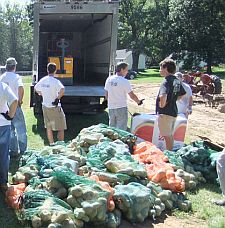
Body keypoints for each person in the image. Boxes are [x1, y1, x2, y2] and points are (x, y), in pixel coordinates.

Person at [156, 59, 186, 151]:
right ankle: (170, 152)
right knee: (170, 134)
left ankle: (169, 154)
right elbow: (182, 93)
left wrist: (162, 105)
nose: (159, 70)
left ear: (166, 68)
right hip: (173, 111)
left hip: (165, 112)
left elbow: (163, 95)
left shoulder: (166, 81)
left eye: (161, 68)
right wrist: (173, 100)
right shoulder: (176, 80)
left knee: (166, 135)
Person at [0, 57, 27, 157]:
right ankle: (23, 151)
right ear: (14, 67)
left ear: (6, 66)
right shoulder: (16, 77)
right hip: (15, 105)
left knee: (10, 130)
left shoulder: (2, 77)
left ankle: (14, 150)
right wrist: (20, 100)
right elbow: (21, 88)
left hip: (5, 106)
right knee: (21, 129)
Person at [104, 62, 143, 131]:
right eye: (126, 70)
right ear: (122, 69)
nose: (127, 72)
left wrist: (110, 102)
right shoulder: (124, 81)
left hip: (111, 108)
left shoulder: (109, 79)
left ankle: (111, 141)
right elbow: (132, 95)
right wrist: (138, 102)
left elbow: (106, 94)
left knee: (112, 129)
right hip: (121, 107)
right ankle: (119, 141)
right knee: (121, 130)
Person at [34, 62, 67, 145]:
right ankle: (60, 144)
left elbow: (36, 88)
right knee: (61, 127)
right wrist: (57, 98)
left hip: (45, 106)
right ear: (55, 71)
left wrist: (40, 93)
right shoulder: (56, 81)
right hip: (55, 107)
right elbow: (62, 89)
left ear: (47, 70)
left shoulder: (43, 80)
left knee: (48, 126)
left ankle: (51, 144)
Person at [0, 82, 18, 191]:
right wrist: (10, 116)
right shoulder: (3, 86)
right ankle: (2, 182)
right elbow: (15, 101)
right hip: (2, 124)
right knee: (3, 154)